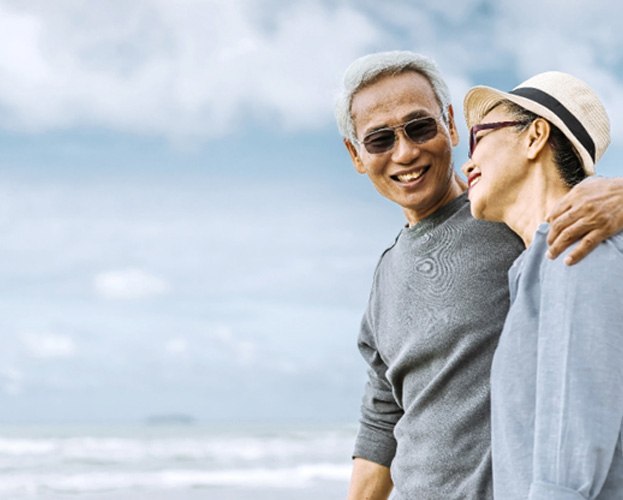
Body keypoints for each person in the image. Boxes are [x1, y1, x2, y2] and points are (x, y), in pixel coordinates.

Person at [335, 50, 623, 499]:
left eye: (420, 127)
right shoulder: (386, 275)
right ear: (356, 155)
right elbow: (382, 413)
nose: (405, 151)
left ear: (450, 126)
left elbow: (564, 184)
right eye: (379, 140)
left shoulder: (526, 220)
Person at [462, 71, 623, 498]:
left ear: (535, 136)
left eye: (479, 136)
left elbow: (564, 478)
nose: (467, 160)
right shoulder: (535, 269)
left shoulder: (578, 243)